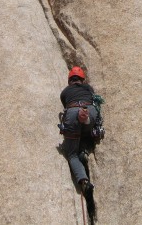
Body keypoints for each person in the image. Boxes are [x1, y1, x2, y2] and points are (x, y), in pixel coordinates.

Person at [60, 66, 99, 195]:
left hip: (72, 112)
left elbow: (65, 104)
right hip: (89, 110)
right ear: (82, 80)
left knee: (71, 154)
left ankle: (84, 182)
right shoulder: (88, 88)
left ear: (70, 81)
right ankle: (84, 150)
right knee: (87, 132)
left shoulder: (65, 92)